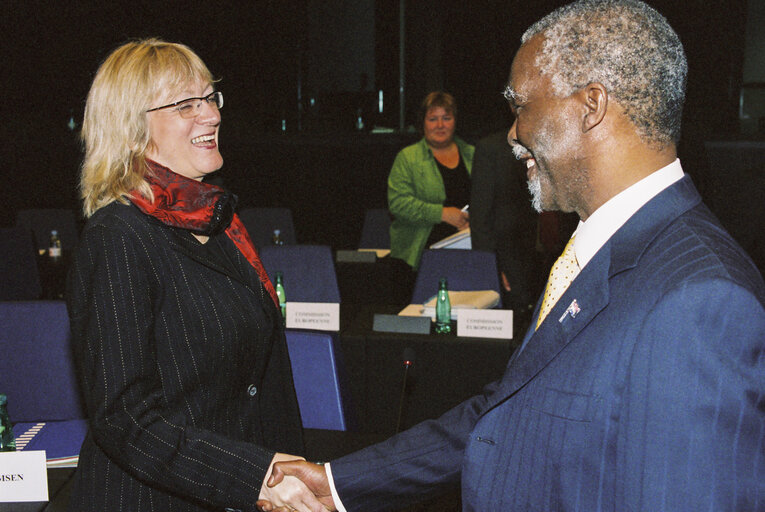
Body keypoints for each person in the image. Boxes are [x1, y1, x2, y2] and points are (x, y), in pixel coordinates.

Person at [261, 1, 765, 510]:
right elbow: (507, 409)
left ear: (591, 105)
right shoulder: (603, 249)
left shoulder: (701, 302)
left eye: (521, 105)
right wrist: (338, 481)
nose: (512, 133)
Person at [67, 39, 326, 512]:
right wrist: (254, 475)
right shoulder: (118, 236)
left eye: (210, 98)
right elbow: (124, 418)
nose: (211, 115)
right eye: (186, 105)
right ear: (129, 130)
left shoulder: (218, 220)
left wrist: (283, 472)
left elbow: (253, 383)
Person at [387, 92, 475, 270]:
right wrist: (442, 214)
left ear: (455, 121)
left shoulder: (473, 154)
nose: (440, 125)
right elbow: (398, 204)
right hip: (418, 256)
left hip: (468, 249)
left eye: (446, 118)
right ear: (423, 123)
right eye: (433, 119)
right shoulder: (407, 157)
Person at [469, 130, 539, 314]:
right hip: (512, 265)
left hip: (560, 257)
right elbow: (481, 216)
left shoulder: (569, 138)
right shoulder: (493, 148)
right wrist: (490, 268)